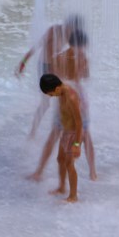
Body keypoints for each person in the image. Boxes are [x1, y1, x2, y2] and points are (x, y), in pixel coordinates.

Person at [31, 72, 92, 200]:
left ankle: (73, 196)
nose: (52, 97)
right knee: (60, 159)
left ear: (57, 88)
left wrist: (76, 144)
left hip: (74, 134)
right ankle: (62, 187)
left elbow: (79, 122)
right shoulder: (61, 92)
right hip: (66, 132)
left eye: (51, 94)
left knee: (70, 164)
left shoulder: (71, 97)